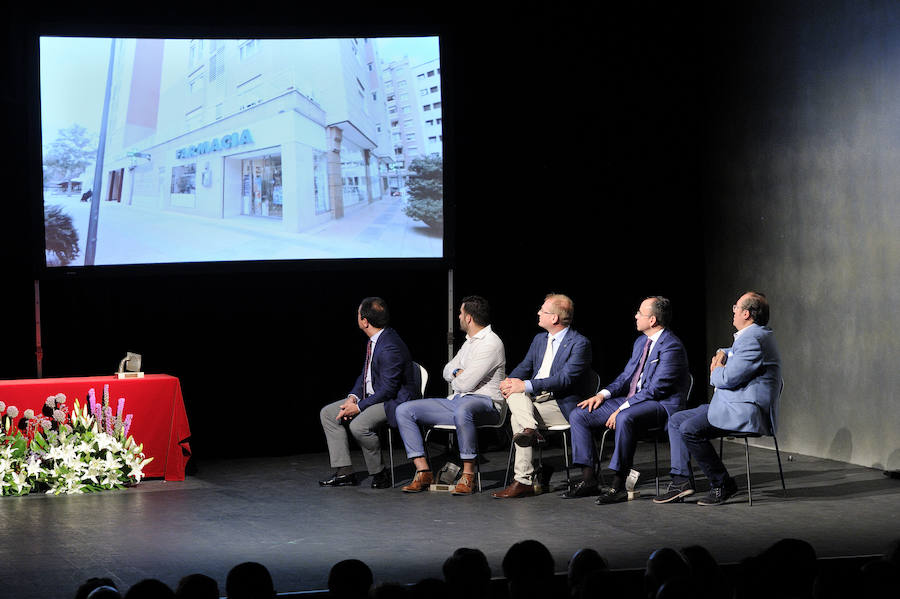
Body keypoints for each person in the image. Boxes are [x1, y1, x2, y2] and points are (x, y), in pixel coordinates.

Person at [654, 291, 781, 506]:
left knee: (689, 429)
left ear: (746, 314)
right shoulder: (755, 335)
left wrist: (716, 369)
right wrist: (722, 352)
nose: (733, 310)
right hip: (731, 404)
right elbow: (735, 353)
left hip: (744, 410)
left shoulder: (753, 338)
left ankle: (722, 483)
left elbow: (727, 378)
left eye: (736, 307)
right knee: (676, 420)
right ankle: (681, 481)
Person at [564, 296, 690, 504]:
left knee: (625, 417)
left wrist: (622, 407)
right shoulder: (641, 342)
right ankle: (589, 480)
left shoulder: (671, 346)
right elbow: (626, 377)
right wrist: (602, 394)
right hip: (633, 400)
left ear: (652, 320)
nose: (636, 316)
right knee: (580, 414)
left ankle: (618, 485)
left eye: (640, 313)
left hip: (661, 405)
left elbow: (656, 389)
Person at [397, 296, 505, 495]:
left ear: (469, 318)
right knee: (404, 410)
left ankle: (468, 475)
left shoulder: (491, 343)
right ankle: (423, 471)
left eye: (461, 313)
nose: (459, 317)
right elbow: (447, 369)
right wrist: (457, 372)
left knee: (463, 410)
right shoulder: (469, 342)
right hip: (458, 401)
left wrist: (458, 377)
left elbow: (466, 383)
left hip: (486, 404)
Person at [492, 294, 592, 499]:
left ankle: (523, 480)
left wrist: (525, 385)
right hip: (535, 401)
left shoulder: (579, 343)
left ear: (554, 318)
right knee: (515, 394)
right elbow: (525, 367)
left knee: (516, 417)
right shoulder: (539, 339)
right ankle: (530, 429)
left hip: (560, 404)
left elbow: (564, 380)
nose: (538, 313)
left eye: (543, 310)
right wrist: (509, 381)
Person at [319, 297, 420, 489]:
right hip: (374, 396)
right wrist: (353, 397)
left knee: (359, 426)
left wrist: (358, 407)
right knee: (328, 414)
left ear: (365, 321)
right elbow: (366, 376)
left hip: (394, 401)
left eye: (358, 314)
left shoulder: (389, 346)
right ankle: (344, 472)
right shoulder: (376, 340)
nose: (356, 316)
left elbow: (388, 390)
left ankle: (380, 473)